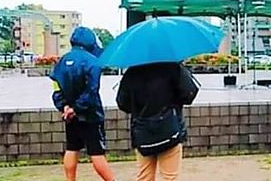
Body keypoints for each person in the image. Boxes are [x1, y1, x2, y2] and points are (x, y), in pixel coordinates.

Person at [50, 27, 116, 181]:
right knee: (97, 153)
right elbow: (92, 90)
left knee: (72, 148)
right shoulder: (93, 62)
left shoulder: (61, 62)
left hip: (70, 116)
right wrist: (76, 108)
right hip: (91, 115)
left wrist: (65, 107)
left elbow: (56, 89)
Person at [115, 61, 199, 181]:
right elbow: (189, 93)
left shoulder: (132, 72)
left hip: (143, 133)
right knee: (170, 177)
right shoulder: (173, 67)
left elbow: (122, 103)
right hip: (170, 129)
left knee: (144, 177)